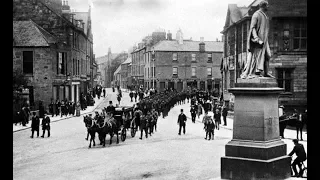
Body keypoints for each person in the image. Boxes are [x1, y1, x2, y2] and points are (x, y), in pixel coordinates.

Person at [240, 0, 274, 79]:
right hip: (258, 41)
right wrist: (256, 38)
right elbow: (252, 28)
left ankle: (266, 72)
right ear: (264, 6)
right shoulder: (256, 14)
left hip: (265, 41)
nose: (268, 7)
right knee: (257, 57)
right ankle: (255, 73)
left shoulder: (265, 16)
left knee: (268, 55)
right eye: (267, 5)